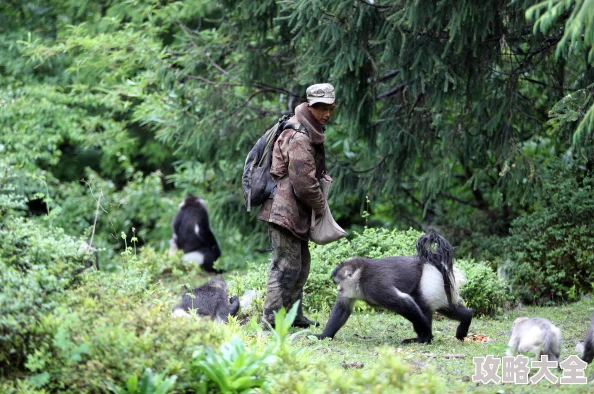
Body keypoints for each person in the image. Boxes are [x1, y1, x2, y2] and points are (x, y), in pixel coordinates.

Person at [258, 83, 336, 328]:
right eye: (320, 107)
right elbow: (303, 183)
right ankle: (270, 321)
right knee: (285, 267)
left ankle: (293, 316)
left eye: (330, 107)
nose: (326, 113)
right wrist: (321, 207)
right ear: (310, 105)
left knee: (300, 266)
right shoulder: (300, 136)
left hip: (295, 210)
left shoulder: (309, 129)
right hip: (284, 210)